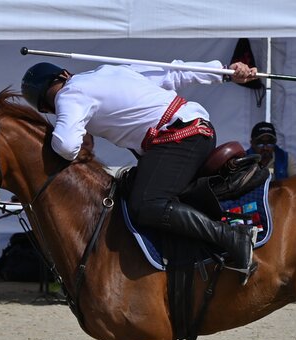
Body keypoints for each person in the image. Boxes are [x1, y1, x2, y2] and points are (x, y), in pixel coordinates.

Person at [20, 58, 261, 283]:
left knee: (146, 204)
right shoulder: (112, 70)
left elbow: (66, 146)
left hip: (177, 137)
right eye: (49, 108)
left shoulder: (69, 94)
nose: (54, 107)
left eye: (49, 103)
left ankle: (233, 238)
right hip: (194, 128)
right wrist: (226, 72)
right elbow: (175, 73)